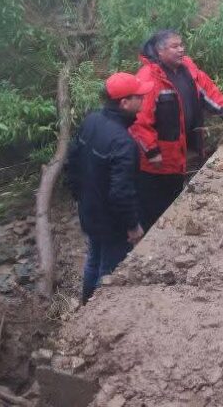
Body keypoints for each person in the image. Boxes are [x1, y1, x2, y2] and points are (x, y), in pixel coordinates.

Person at [131, 29, 223, 231]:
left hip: (180, 150)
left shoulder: (186, 67)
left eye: (181, 45)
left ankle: (172, 228)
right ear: (160, 51)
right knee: (154, 203)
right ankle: (150, 234)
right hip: (156, 159)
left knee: (175, 191)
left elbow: (207, 90)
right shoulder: (148, 78)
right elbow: (138, 121)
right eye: (175, 46)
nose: (181, 49)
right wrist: (151, 151)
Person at [66, 72, 150, 304]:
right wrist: (132, 226)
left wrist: (79, 197)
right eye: (139, 97)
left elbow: (72, 161)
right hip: (112, 221)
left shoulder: (91, 121)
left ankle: (85, 305)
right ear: (124, 103)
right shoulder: (123, 143)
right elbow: (121, 192)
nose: (143, 100)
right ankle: (97, 310)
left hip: (89, 209)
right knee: (109, 267)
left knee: (94, 259)